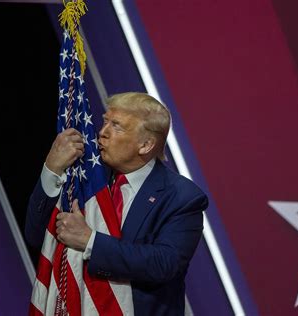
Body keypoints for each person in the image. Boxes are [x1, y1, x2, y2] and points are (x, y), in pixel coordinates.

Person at [25, 92, 208, 315]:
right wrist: (52, 169)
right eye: (105, 121)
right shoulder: (86, 179)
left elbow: (164, 264)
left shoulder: (182, 197)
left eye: (117, 126)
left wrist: (90, 241)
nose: (102, 133)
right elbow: (36, 235)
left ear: (146, 145)